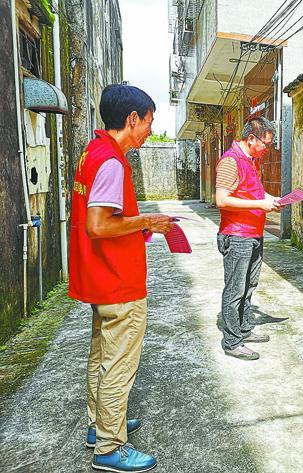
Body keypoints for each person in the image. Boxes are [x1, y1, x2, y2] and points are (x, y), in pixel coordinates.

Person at [68, 84, 172, 473]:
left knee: (101, 356)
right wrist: (147, 221)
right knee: (118, 365)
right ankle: (111, 447)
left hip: (101, 278)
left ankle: (99, 426)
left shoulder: (92, 152)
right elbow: (98, 225)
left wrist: (139, 224)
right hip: (118, 282)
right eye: (148, 122)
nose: (149, 131)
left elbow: (100, 218)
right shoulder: (112, 161)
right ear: (132, 119)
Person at [215, 116, 282, 361]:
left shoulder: (252, 161)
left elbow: (253, 192)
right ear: (251, 138)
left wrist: (271, 199)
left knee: (249, 287)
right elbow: (222, 200)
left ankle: (243, 329)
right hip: (237, 235)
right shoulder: (231, 161)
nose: (267, 149)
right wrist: (260, 204)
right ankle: (232, 341)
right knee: (235, 290)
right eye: (266, 144)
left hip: (253, 234)